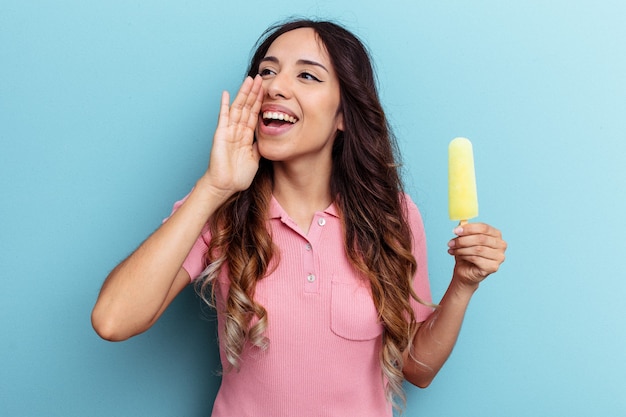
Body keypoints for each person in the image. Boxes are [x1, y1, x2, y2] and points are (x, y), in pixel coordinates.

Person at [91, 18, 507, 417]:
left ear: (344, 114)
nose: (275, 86)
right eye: (267, 72)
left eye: (306, 75)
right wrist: (214, 187)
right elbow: (112, 320)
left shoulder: (392, 215)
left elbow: (417, 368)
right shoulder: (220, 209)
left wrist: (463, 285)